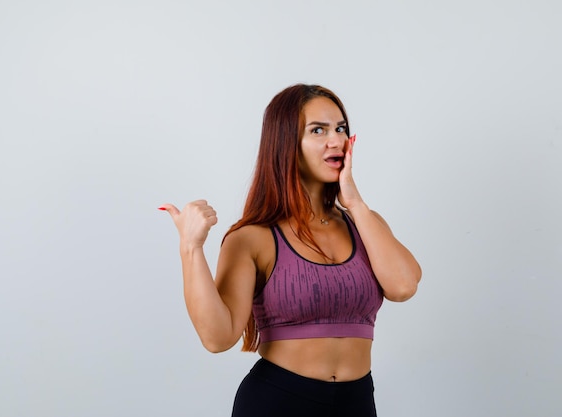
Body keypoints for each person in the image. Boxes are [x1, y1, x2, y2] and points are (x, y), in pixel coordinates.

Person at [159, 84, 422, 416]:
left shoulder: (364, 223)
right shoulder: (252, 238)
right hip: (278, 402)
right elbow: (218, 337)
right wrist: (191, 248)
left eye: (341, 129)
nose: (336, 140)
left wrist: (354, 202)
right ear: (286, 144)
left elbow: (403, 286)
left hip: (356, 403)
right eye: (318, 130)